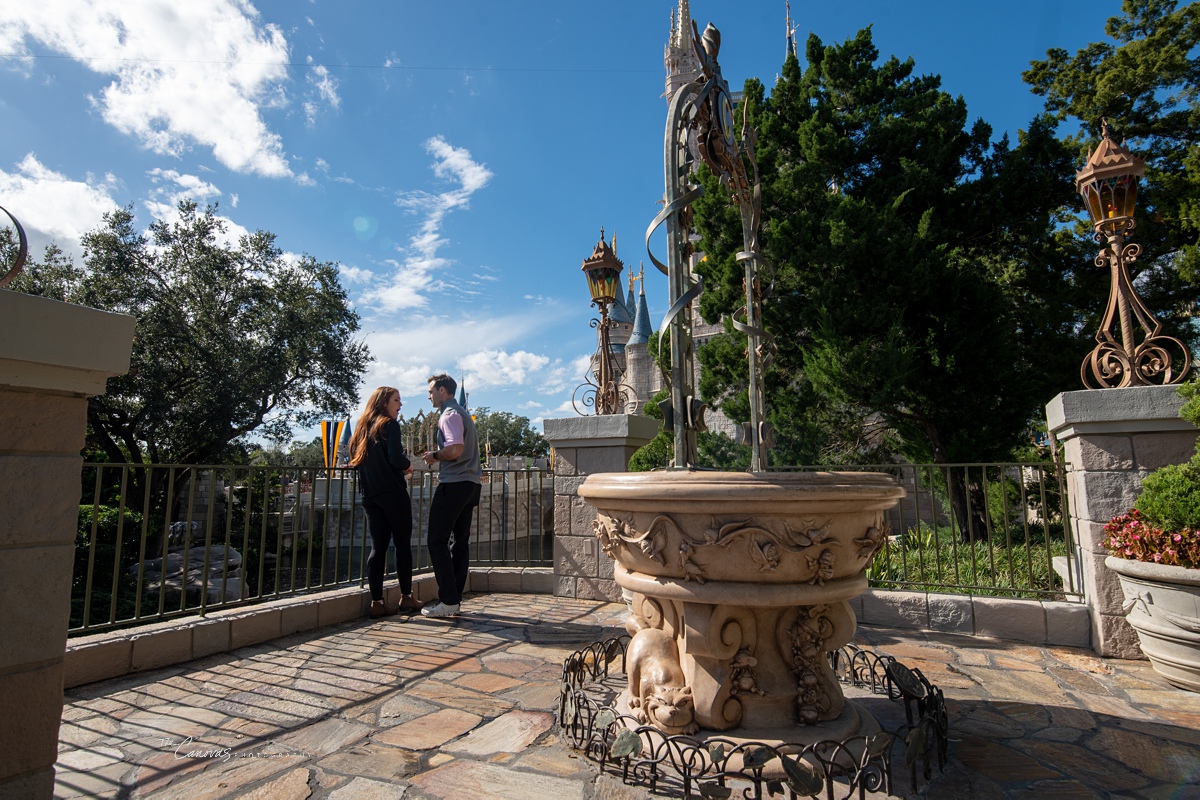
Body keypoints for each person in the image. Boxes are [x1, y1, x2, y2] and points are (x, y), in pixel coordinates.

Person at [347, 387, 421, 618]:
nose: (400, 405)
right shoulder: (389, 425)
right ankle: (406, 597)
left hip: (370, 496)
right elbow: (395, 457)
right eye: (396, 400)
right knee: (402, 545)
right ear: (383, 403)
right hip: (393, 493)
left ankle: (377, 602)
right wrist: (407, 464)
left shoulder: (361, 429)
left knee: (377, 548)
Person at [420, 373, 483, 618]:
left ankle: (448, 599)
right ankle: (453, 599)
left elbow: (455, 449)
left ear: (443, 390)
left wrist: (434, 456)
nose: (429, 395)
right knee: (460, 543)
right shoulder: (462, 414)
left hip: (454, 484)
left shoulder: (449, 415)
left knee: (436, 541)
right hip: (470, 485)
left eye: (431, 391)